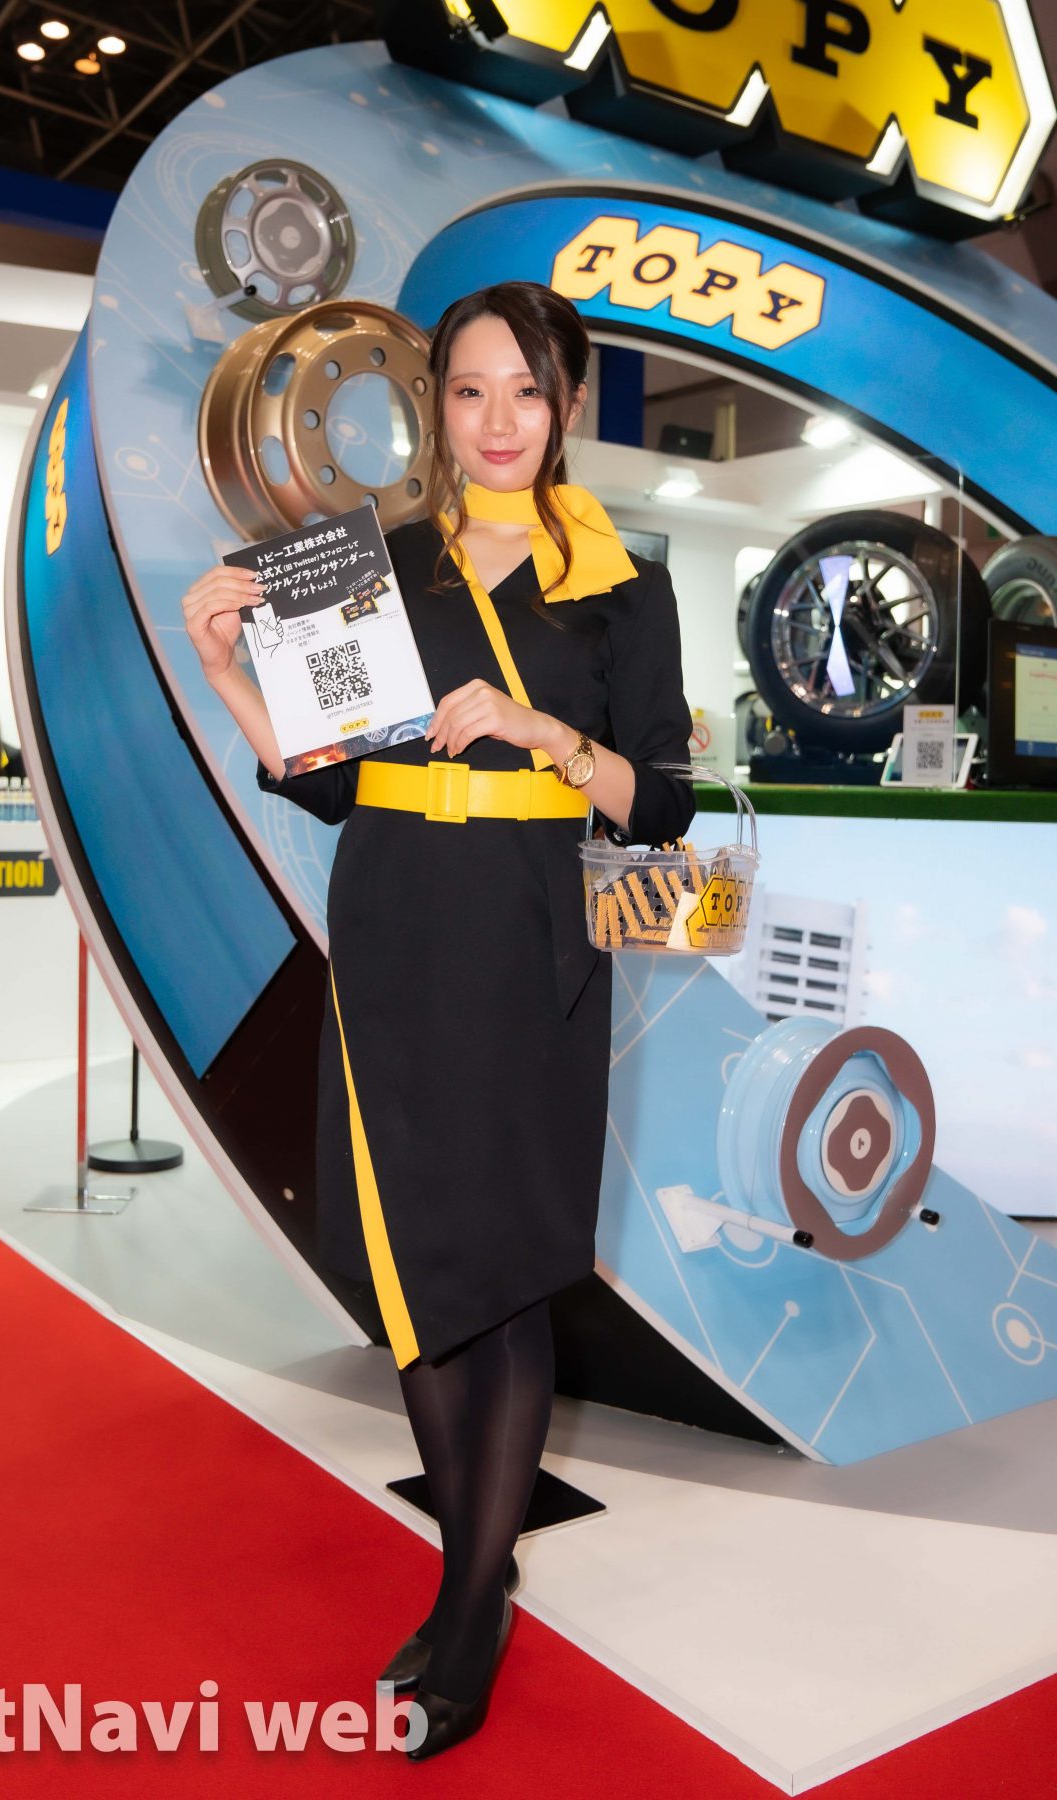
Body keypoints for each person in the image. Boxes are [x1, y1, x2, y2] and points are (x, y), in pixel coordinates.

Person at [181, 281, 694, 1759]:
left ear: (569, 405)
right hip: (395, 924)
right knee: (413, 1264)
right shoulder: (378, 563)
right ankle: (477, 1572)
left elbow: (659, 800)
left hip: (532, 941)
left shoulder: (624, 583)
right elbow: (333, 777)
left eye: (527, 391)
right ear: (434, 408)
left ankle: (472, 1605)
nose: (498, 421)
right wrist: (231, 676)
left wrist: (546, 732)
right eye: (469, 391)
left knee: (505, 1270)